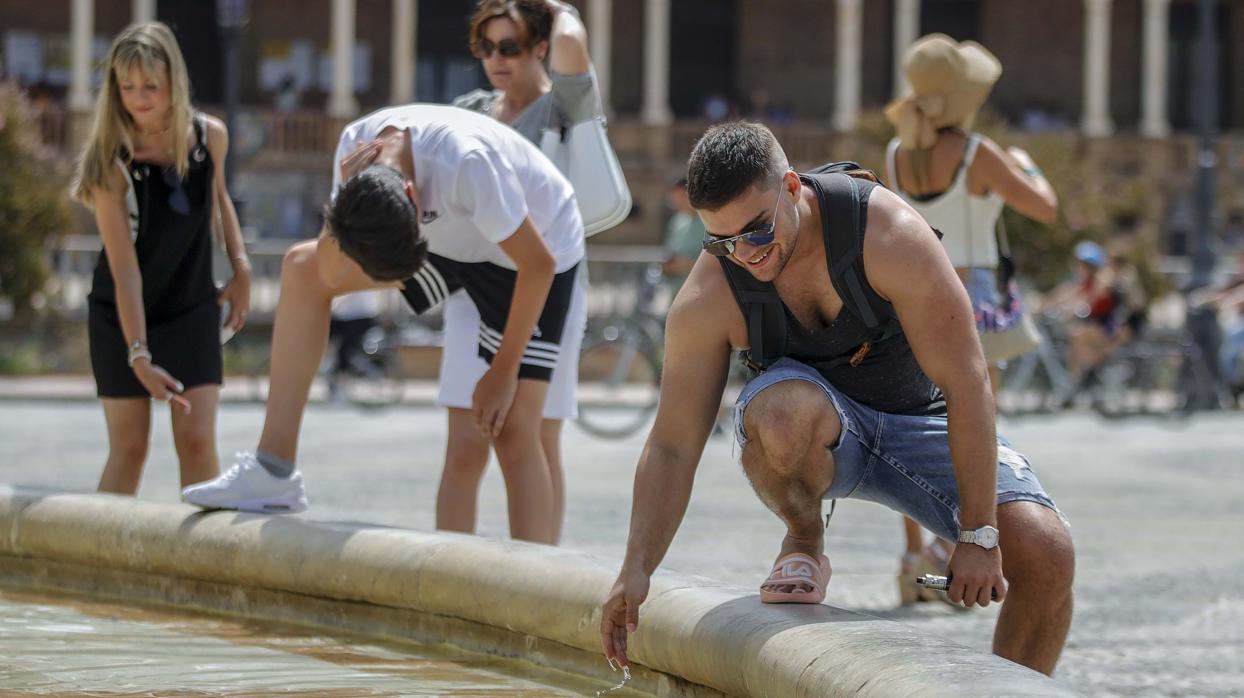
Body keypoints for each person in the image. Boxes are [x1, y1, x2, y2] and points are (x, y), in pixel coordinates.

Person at [599, 122, 1074, 675]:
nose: (743, 254)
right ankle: (803, 540)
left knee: (1047, 554)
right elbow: (673, 445)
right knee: (780, 411)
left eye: (755, 231)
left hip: (917, 418)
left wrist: (978, 533)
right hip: (809, 427)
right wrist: (636, 569)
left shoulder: (887, 232)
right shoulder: (710, 294)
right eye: (720, 241)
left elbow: (969, 384)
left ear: (793, 188)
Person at [182, 103, 585, 544]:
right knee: (302, 268)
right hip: (444, 238)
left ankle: (536, 583)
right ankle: (275, 469)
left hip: (533, 249)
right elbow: (332, 274)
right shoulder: (355, 154)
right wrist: (336, 204)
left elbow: (539, 265)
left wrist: (503, 372)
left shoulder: (467, 164)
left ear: (415, 197)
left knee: (513, 431)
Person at [883, 34, 1059, 604]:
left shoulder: (894, 153)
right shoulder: (978, 152)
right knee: (976, 430)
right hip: (974, 298)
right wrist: (1031, 169)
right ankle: (962, 550)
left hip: (912, 291)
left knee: (913, 422)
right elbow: (1045, 207)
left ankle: (914, 557)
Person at [440, 0, 597, 543]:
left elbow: (575, 46)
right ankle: (446, 582)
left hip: (550, 282)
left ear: (539, 47)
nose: (495, 60)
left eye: (509, 46)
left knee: (531, 436)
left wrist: (558, 8)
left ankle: (538, 581)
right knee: (464, 441)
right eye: (485, 47)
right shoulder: (471, 109)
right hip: (474, 284)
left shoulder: (563, 109)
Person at [71, 22, 250, 496]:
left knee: (196, 441)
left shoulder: (210, 137)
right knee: (129, 449)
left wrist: (241, 266)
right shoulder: (109, 163)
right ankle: (100, 568)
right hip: (120, 317)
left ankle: (202, 566)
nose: (139, 96)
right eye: (127, 86)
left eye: (151, 84)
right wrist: (139, 353)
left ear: (175, 81)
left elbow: (218, 198)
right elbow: (124, 268)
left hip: (190, 309)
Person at [661, 175, 705, 299]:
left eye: (680, 196)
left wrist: (689, 265)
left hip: (702, 294)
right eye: (673, 197)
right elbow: (669, 251)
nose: (676, 201)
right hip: (676, 292)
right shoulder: (676, 222)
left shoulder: (710, 223)